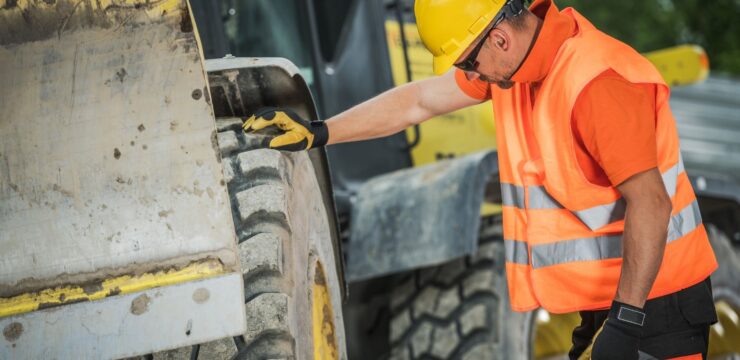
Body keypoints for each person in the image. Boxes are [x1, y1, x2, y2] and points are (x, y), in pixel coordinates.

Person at [242, 0, 718, 358]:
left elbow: (652, 205)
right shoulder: (517, 68)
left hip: (657, 302)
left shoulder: (597, 83)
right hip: (612, 302)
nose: (467, 74)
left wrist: (627, 320)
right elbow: (419, 102)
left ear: (500, 39)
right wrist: (321, 130)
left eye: (467, 62)